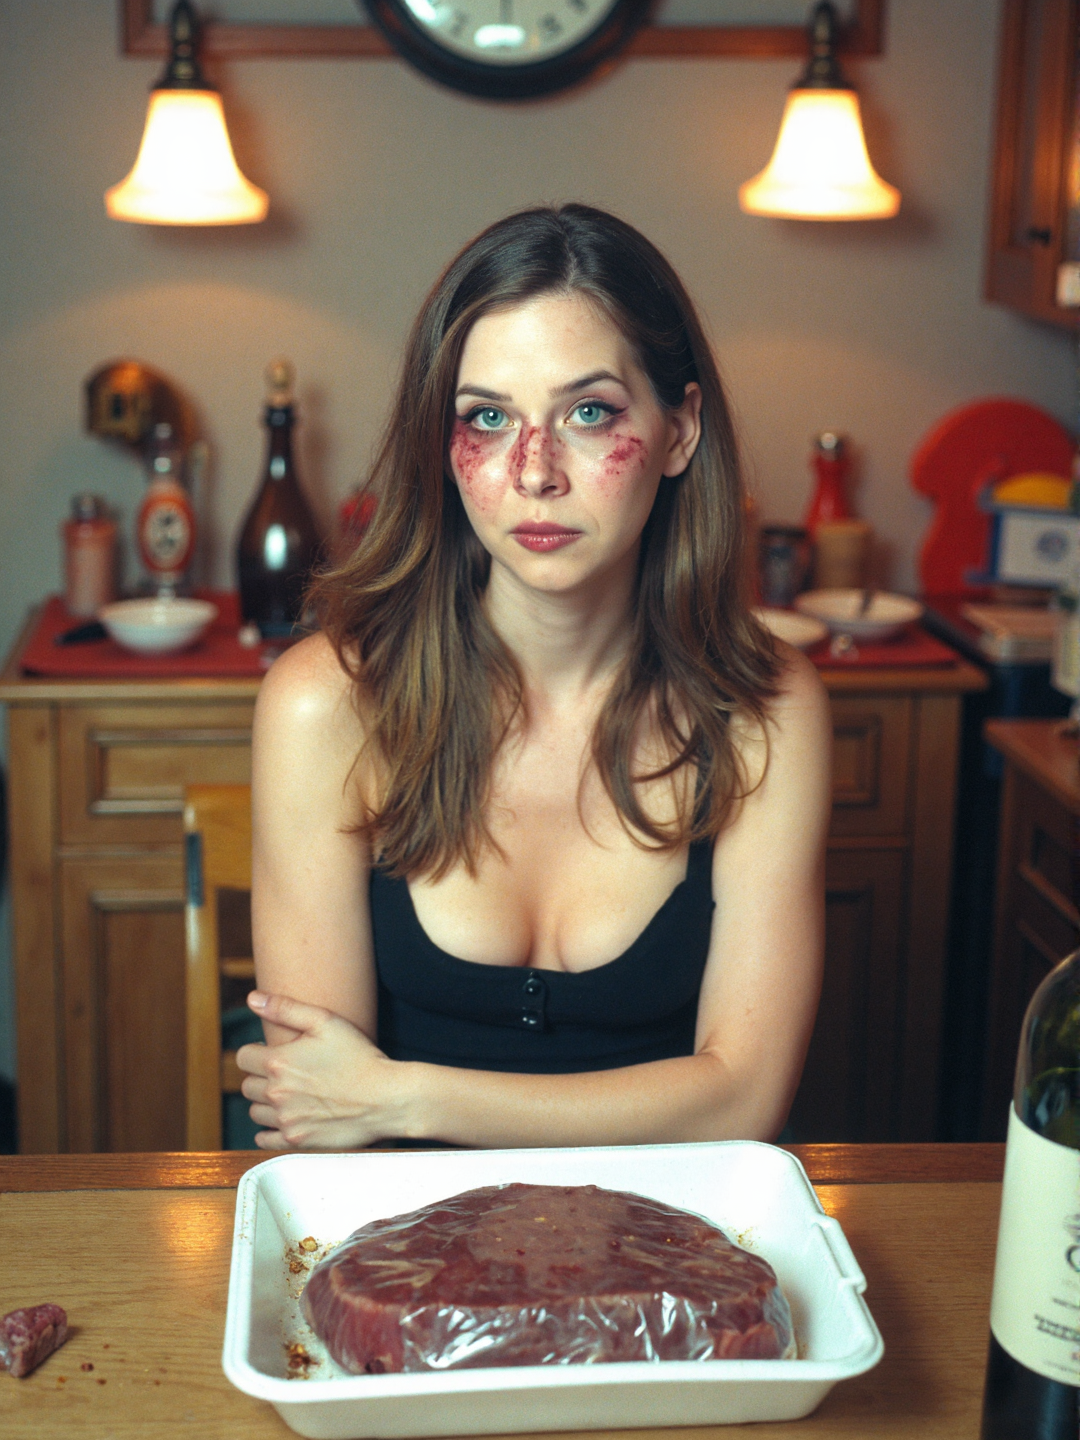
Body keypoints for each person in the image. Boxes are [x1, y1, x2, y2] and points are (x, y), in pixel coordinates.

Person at [236, 203, 831, 1152]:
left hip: (665, 1234)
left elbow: (744, 1101)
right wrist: (365, 1105)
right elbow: (323, 1117)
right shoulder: (328, 705)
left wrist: (405, 1098)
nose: (535, 472)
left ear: (680, 431)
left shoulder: (766, 710)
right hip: (395, 1237)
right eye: (488, 418)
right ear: (443, 445)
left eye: (589, 413)